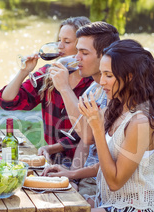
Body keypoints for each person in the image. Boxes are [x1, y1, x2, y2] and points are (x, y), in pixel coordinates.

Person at [26, 39, 154, 212]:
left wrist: (96, 128)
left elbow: (114, 181)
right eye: (102, 73)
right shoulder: (120, 108)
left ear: (130, 77)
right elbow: (109, 162)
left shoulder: (141, 123)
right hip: (108, 203)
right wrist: (71, 173)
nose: (101, 81)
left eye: (109, 75)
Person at [0, 17, 93, 167]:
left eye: (67, 42)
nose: (60, 46)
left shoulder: (94, 83)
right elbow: (8, 102)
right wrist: (23, 72)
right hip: (53, 159)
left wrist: (51, 148)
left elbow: (85, 134)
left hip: (85, 163)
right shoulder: (49, 74)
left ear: (82, 46)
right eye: (59, 40)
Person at [43, 21, 119, 196]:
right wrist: (72, 179)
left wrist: (64, 88)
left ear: (105, 56)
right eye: (77, 51)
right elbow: (85, 143)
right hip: (86, 177)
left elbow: (88, 136)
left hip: (103, 183)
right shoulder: (93, 89)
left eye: (84, 53)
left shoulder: (115, 94)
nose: (77, 58)